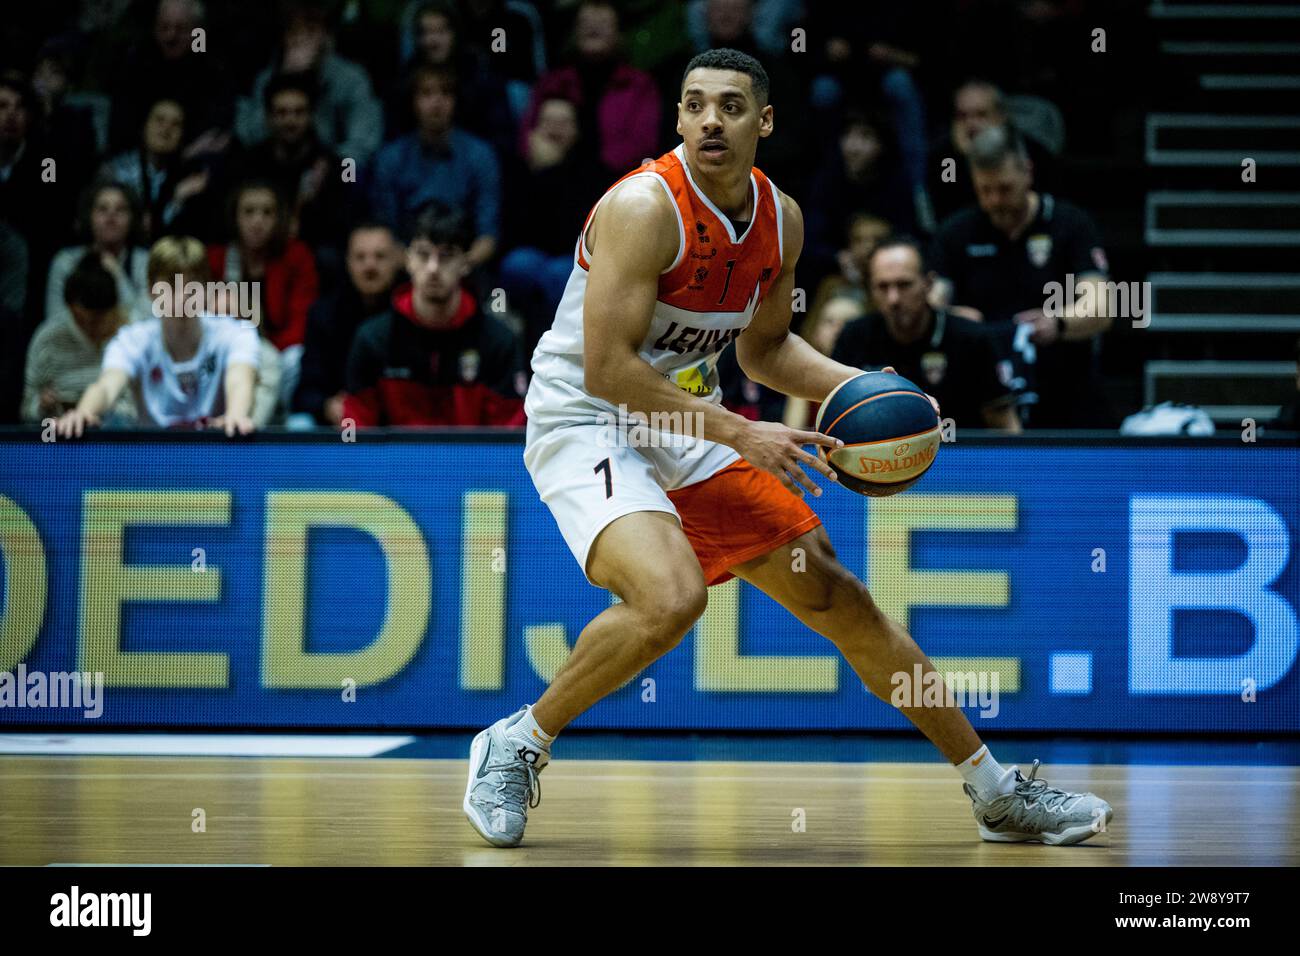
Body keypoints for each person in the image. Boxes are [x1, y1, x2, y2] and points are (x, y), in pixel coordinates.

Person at [465, 47, 1111, 849]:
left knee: (837, 592)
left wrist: (874, 387)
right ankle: (516, 742)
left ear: (764, 121)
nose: (710, 119)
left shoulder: (782, 220)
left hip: (684, 418)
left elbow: (763, 353)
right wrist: (742, 430)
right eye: (695, 104)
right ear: (677, 118)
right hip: (586, 417)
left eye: (731, 106)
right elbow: (610, 369)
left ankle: (995, 792)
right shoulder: (643, 207)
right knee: (671, 598)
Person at [930, 125, 1114, 429]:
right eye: (984, 191)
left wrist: (1057, 322)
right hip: (982, 400)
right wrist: (954, 319)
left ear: (1027, 172)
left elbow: (1102, 306)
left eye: (1004, 189)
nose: (994, 201)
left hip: (1065, 389)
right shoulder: (955, 232)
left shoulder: (1071, 224)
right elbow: (931, 307)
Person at [341, 204, 525, 428]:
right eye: (423, 254)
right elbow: (358, 430)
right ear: (407, 259)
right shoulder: (372, 339)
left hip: (472, 463)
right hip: (393, 463)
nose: (433, 268)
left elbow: (507, 437)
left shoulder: (499, 343)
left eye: (446, 256)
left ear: (465, 264)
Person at [55, 236, 259, 436]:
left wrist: (236, 415)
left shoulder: (237, 334)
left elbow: (240, 380)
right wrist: (84, 412)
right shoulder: (132, 340)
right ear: (152, 290)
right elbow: (107, 387)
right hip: (153, 461)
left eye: (193, 285)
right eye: (171, 285)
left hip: (214, 457)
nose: (183, 296)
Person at [832, 237, 1021, 432]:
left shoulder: (972, 339)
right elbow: (836, 418)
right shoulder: (853, 336)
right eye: (882, 286)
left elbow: (1005, 426)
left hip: (962, 455)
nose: (893, 299)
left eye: (904, 285)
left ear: (928, 283)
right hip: (878, 457)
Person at [368, 64, 500, 271]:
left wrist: (458, 267)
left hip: (464, 263)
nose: (437, 102)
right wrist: (419, 269)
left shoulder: (481, 155)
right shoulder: (390, 158)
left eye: (445, 93)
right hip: (406, 265)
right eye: (426, 93)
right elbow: (386, 233)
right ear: (413, 101)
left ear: (456, 101)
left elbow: (488, 236)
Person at [208, 180, 319, 409]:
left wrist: (265, 350)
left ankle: (285, 423)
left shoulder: (296, 256)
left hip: (279, 349)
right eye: (248, 212)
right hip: (227, 347)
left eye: (267, 212)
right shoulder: (216, 259)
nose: (257, 221)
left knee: (295, 358)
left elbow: (302, 320)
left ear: (279, 219)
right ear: (235, 218)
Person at [293, 222, 404, 426]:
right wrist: (327, 406)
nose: (370, 266)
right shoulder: (323, 314)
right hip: (340, 426)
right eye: (360, 257)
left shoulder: (412, 312)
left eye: (380, 256)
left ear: (398, 259)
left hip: (399, 424)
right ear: (347, 262)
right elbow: (305, 391)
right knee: (299, 424)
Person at [23, 253, 132, 423]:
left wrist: (99, 410)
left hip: (114, 434)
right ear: (70, 308)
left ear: (113, 310)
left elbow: (138, 408)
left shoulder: (127, 338)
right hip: (58, 434)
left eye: (97, 320)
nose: (89, 327)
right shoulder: (47, 339)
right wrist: (41, 406)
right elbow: (26, 409)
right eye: (80, 319)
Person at [45, 182, 151, 328]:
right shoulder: (66, 262)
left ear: (132, 219)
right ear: (89, 216)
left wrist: (117, 275)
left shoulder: (146, 262)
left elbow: (146, 323)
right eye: (102, 209)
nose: (111, 216)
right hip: (74, 346)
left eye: (120, 210)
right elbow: (55, 323)